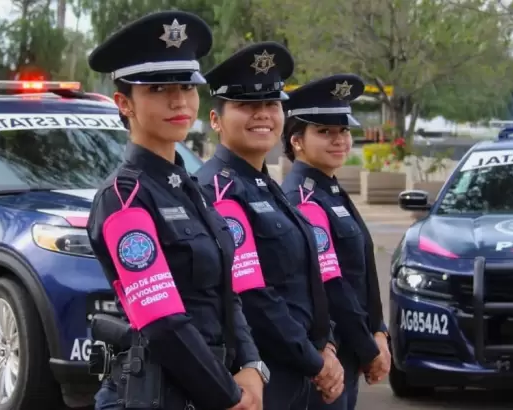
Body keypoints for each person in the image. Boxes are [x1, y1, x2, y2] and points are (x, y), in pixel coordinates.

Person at [86, 11, 264, 410]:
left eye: (187, 85)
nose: (178, 100)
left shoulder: (189, 187)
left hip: (211, 390)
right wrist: (229, 396)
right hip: (156, 395)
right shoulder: (123, 198)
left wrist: (252, 365)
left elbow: (226, 292)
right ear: (124, 103)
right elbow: (162, 322)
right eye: (158, 88)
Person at [194, 42, 345, 410]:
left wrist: (326, 344)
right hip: (263, 374)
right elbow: (253, 296)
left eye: (271, 103)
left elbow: (307, 282)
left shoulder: (266, 184)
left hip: (301, 368)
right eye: (246, 105)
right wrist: (314, 360)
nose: (262, 114)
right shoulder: (218, 190)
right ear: (215, 120)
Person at [281, 74, 392, 410]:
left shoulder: (330, 190)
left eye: (343, 130)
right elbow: (332, 285)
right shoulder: (303, 198)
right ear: (297, 141)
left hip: (352, 348)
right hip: (331, 354)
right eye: (324, 131)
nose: (339, 139)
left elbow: (363, 274)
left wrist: (379, 331)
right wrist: (369, 348)